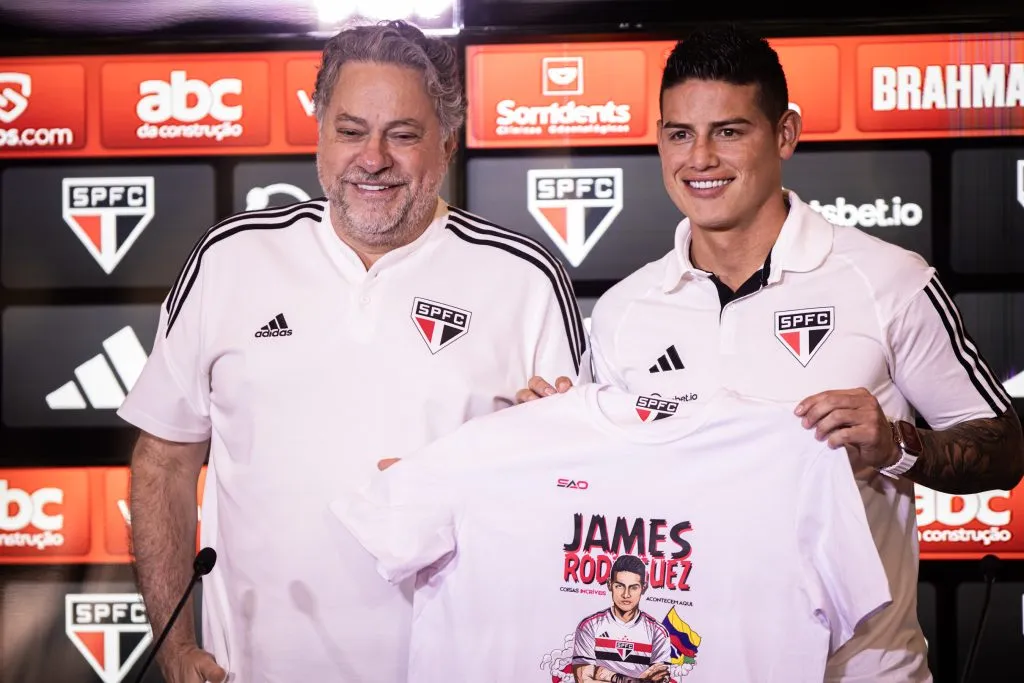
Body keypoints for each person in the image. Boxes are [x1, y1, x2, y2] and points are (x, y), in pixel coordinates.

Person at [518, 24, 1024, 682]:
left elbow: (1005, 448)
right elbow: (604, 500)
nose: (700, 158)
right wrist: (551, 440)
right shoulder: (623, 310)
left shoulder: (888, 280)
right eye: (680, 134)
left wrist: (897, 444)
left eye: (728, 131)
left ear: (785, 133)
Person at [118, 20, 586, 683]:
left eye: (403, 134)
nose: (373, 158)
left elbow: (579, 495)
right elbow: (164, 460)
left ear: (447, 143)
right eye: (350, 131)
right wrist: (173, 646)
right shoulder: (230, 258)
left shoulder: (525, 279)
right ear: (320, 135)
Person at [572, 555, 671, 683]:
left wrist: (603, 674)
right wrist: (633, 680)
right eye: (619, 586)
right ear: (609, 584)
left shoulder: (658, 632)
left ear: (643, 588)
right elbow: (583, 680)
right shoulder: (589, 626)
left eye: (634, 587)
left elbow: (659, 681)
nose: (626, 594)